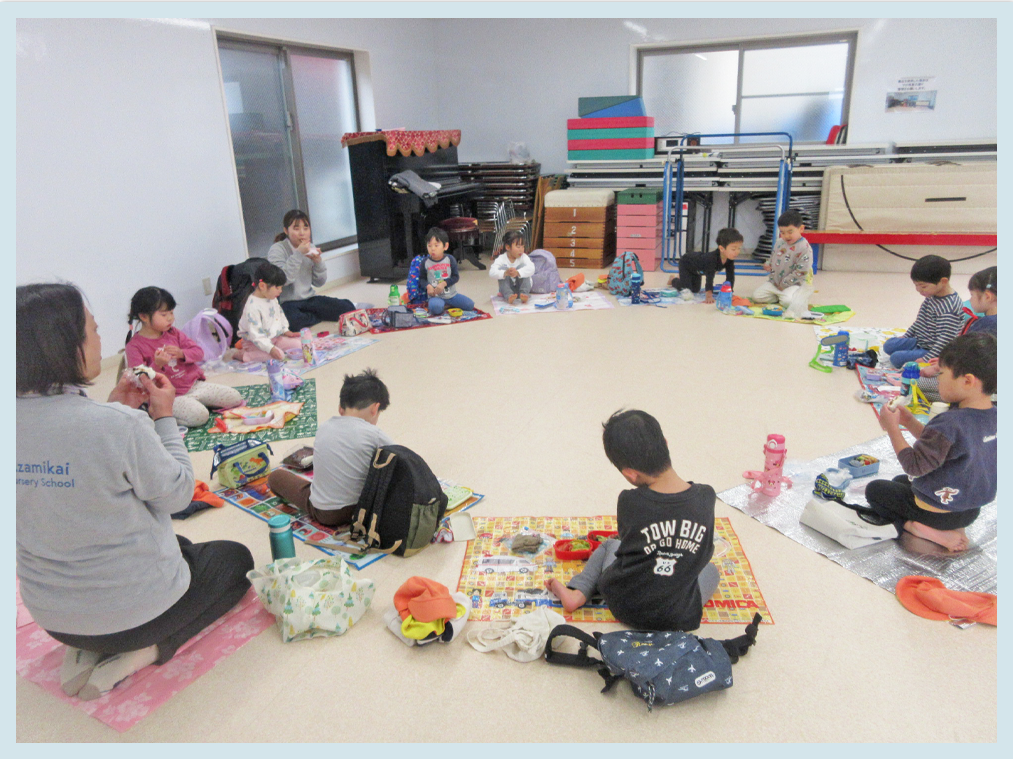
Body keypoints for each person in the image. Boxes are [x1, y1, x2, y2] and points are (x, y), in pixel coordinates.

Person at [16, 284, 254, 701]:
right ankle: (143, 651)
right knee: (235, 560)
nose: (100, 338)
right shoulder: (116, 426)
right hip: (136, 617)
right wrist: (162, 418)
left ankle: (83, 651)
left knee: (178, 544)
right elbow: (178, 496)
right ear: (66, 346)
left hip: (52, 616)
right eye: (93, 330)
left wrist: (117, 409)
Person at [545, 410, 719, 631]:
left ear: (630, 473)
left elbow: (627, 548)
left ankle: (578, 593)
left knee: (610, 544)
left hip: (626, 606)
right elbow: (704, 553)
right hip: (678, 616)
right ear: (665, 444)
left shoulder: (629, 501)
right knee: (711, 570)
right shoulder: (706, 496)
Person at [863, 333, 996, 552]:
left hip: (938, 513)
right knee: (900, 481)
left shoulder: (949, 422)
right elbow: (942, 446)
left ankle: (917, 527)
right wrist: (910, 421)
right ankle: (954, 527)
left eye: (941, 374)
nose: (937, 380)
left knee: (877, 490)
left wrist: (893, 428)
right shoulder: (996, 415)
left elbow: (914, 465)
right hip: (971, 510)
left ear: (967, 381)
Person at [268, 369, 392, 527]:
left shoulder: (324, 427)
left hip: (324, 512)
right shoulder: (376, 435)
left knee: (276, 477)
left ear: (340, 408)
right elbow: (401, 460)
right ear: (375, 408)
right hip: (363, 510)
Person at [124, 286, 243, 427]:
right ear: (144, 316)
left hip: (194, 386)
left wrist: (182, 353)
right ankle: (159, 413)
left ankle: (195, 403)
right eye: (164, 315)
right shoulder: (134, 346)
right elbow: (139, 380)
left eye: (171, 312)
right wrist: (157, 364)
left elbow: (199, 352)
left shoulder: (173, 333)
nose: (170, 318)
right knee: (199, 416)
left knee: (234, 398)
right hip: (167, 397)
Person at [267, 209, 355, 331]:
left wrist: (318, 261)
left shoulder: (310, 247)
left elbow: (319, 282)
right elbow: (283, 280)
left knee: (348, 308)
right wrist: (298, 253)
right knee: (293, 322)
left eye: (306, 228)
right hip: (287, 302)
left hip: (309, 299)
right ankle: (316, 316)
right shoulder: (277, 249)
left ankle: (311, 316)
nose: (302, 233)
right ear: (286, 231)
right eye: (296, 228)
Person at [919, 266, 997, 400]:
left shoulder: (987, 324)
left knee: (918, 383)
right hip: (987, 383)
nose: (970, 300)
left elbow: (968, 360)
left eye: (972, 295)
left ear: (987, 296)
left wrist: (940, 367)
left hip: (982, 386)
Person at [882, 255, 964, 369]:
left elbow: (945, 341)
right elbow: (920, 321)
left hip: (933, 350)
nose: (919, 290)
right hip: (921, 341)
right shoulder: (932, 295)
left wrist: (926, 359)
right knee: (889, 345)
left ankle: (916, 353)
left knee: (896, 358)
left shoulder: (949, 308)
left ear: (943, 281)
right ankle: (913, 350)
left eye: (923, 286)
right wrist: (906, 336)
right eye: (916, 285)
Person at [236, 261, 302, 363]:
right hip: (255, 343)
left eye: (281, 287)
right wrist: (270, 349)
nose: (280, 291)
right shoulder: (252, 307)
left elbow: (279, 314)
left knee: (298, 344)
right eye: (277, 288)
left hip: (274, 338)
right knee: (278, 356)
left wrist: (285, 330)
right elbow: (256, 335)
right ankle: (243, 355)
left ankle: (273, 348)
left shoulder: (271, 297)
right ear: (262, 286)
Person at [752, 209, 813, 309]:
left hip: (793, 284)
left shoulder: (804, 248)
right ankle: (779, 296)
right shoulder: (780, 242)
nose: (786, 236)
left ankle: (791, 295)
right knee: (757, 296)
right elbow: (773, 255)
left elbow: (801, 271)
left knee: (788, 302)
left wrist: (784, 284)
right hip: (774, 283)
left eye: (790, 232)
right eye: (782, 232)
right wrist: (768, 263)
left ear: (801, 229)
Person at [667, 227, 743, 304]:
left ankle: (683, 278)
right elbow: (709, 278)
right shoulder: (712, 259)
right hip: (686, 263)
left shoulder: (729, 259)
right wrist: (709, 295)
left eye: (739, 248)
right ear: (721, 248)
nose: (737, 252)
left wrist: (730, 293)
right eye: (733, 249)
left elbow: (730, 277)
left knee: (695, 290)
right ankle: (673, 280)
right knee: (687, 289)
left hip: (697, 271)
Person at [423, 227, 475, 316]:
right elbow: (421, 279)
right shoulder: (425, 262)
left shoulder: (450, 259)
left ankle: (447, 305)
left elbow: (455, 277)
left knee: (470, 305)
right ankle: (442, 305)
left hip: (451, 295)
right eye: (429, 245)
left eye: (436, 245)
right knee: (436, 309)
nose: (432, 249)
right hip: (435, 296)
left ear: (445, 246)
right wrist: (428, 286)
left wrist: (444, 283)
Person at [489, 230, 536, 304]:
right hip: (507, 288)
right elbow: (491, 272)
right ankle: (509, 296)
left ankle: (524, 295)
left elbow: (532, 269)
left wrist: (518, 272)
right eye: (518, 247)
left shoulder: (524, 257)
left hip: (521, 287)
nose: (521, 250)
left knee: (523, 267)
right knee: (502, 269)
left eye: (523, 246)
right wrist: (505, 273)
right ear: (508, 247)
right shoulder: (501, 258)